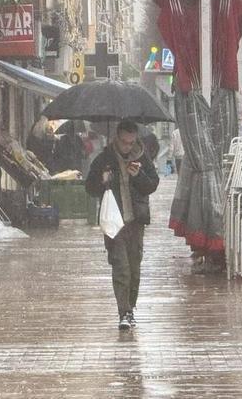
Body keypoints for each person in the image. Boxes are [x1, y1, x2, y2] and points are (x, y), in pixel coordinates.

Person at [85, 120, 160, 331]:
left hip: (136, 220)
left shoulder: (141, 157)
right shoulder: (104, 159)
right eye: (124, 142)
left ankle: (131, 307)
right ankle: (124, 311)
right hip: (114, 222)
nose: (128, 146)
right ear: (117, 138)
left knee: (134, 268)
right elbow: (89, 188)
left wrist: (139, 176)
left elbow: (152, 185)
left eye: (131, 142)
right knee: (121, 267)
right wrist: (102, 180)